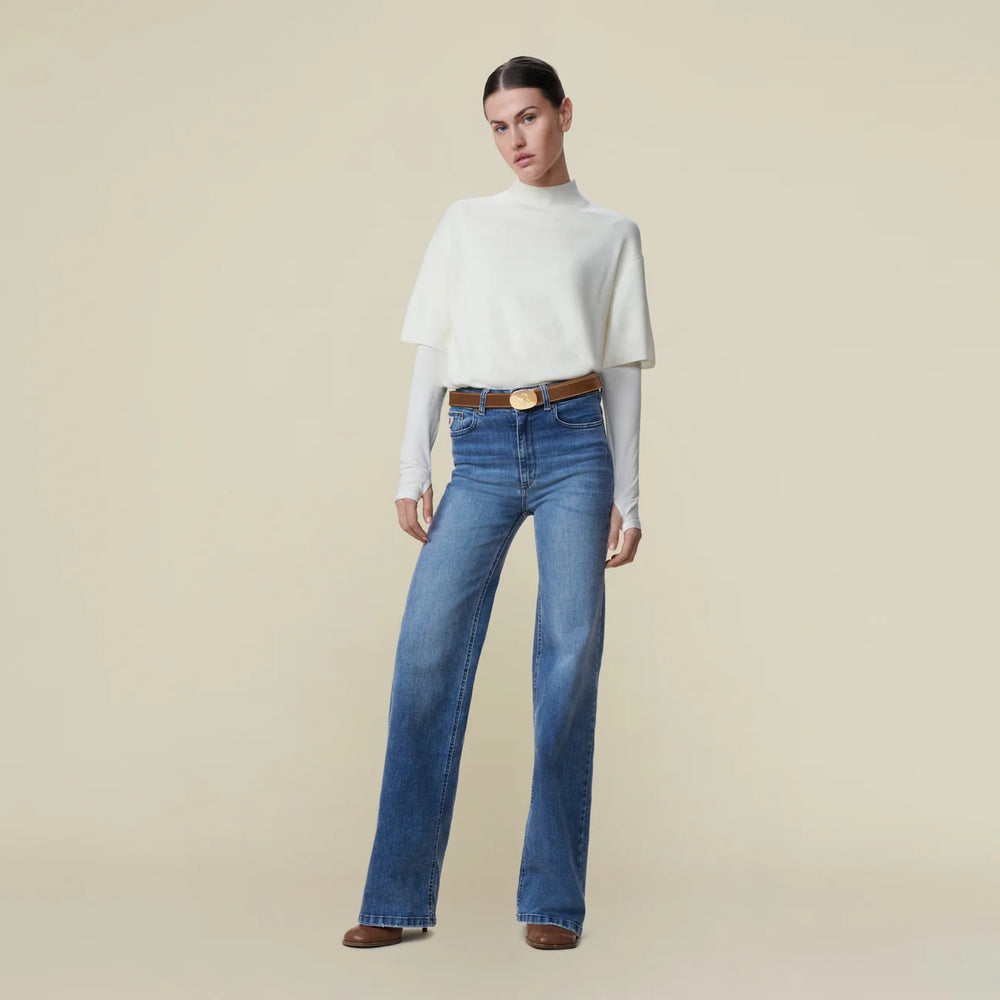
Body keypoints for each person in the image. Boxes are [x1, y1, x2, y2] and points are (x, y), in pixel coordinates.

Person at [342, 55, 655, 951]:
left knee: (569, 659)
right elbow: (434, 349)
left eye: (529, 117)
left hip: (573, 444)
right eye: (498, 125)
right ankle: (395, 898)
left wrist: (628, 494)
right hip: (477, 445)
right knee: (427, 655)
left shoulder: (611, 234)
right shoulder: (465, 223)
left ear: (564, 113)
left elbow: (623, 370)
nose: (515, 138)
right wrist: (412, 469)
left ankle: (552, 902)